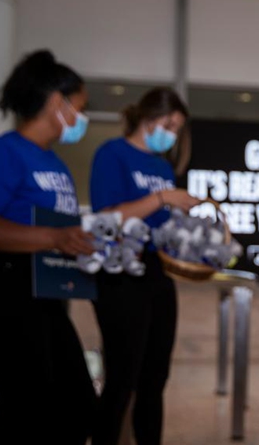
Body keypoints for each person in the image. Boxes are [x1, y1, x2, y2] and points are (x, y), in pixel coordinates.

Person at [0, 50, 97, 445]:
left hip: (44, 293)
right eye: (80, 108)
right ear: (57, 102)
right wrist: (55, 237)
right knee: (24, 410)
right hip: (6, 292)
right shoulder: (1, 154)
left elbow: (59, 227)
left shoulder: (55, 163)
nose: (81, 119)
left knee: (77, 404)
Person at [89, 87, 200, 445]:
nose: (171, 134)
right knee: (122, 379)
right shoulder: (112, 154)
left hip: (156, 271)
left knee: (155, 379)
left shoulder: (162, 166)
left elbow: (158, 222)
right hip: (120, 272)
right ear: (148, 117)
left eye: (177, 128)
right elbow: (107, 216)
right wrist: (162, 197)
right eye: (168, 124)